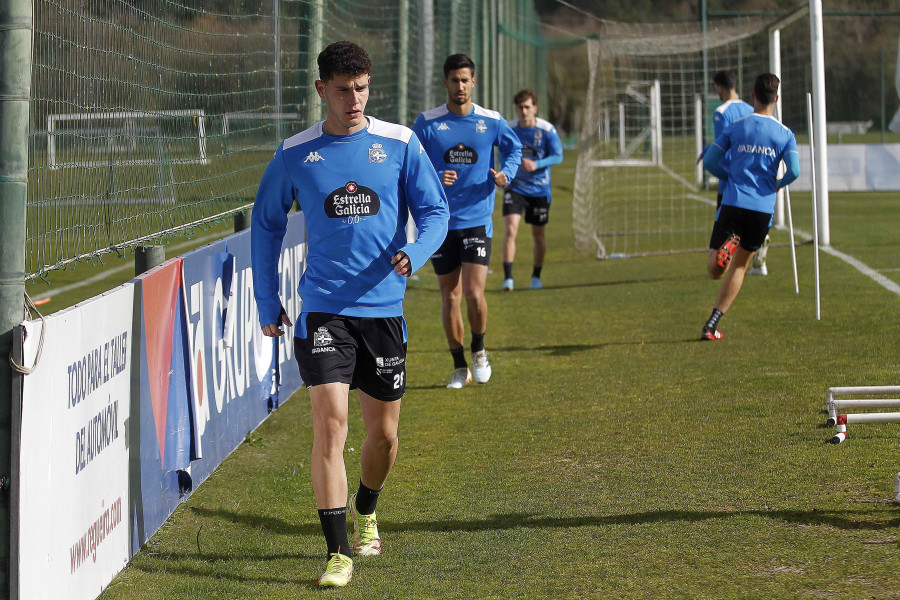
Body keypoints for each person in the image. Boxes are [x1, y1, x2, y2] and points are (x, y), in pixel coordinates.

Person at [250, 41, 449, 587]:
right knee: (330, 425)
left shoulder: (401, 143)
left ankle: (368, 507)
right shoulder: (294, 154)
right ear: (322, 90)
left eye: (361, 87)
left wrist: (418, 250)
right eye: (343, 89)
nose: (354, 98)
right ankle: (337, 552)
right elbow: (265, 225)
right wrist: (269, 302)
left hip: (384, 309)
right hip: (324, 310)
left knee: (383, 436)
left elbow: (435, 210)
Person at [412, 54, 522, 389]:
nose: (460, 86)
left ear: (474, 82)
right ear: (445, 83)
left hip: (476, 220)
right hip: (440, 222)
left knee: (474, 294)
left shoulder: (491, 121)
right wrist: (434, 177)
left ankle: (480, 349)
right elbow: (411, 163)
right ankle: (459, 367)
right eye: (454, 80)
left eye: (465, 80)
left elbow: (514, 151)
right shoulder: (427, 123)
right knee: (451, 296)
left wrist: (506, 174)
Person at [700, 73, 799, 341]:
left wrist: (729, 175)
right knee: (740, 267)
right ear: (776, 99)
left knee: (714, 270)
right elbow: (795, 172)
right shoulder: (785, 134)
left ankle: (725, 246)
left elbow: (710, 161)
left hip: (733, 201)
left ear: (753, 96)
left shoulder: (736, 127)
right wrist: (776, 185)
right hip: (762, 209)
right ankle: (712, 323)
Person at [700, 70, 772, 275]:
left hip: (731, 181)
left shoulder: (721, 112)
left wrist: (706, 152)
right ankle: (758, 255)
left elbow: (722, 146)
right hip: (756, 179)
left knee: (724, 235)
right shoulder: (752, 109)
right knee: (752, 224)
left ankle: (723, 261)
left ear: (720, 88)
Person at [501, 89, 564, 291]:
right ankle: (508, 279)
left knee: (538, 234)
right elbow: (501, 151)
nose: (523, 111)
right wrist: (506, 175)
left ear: (535, 108)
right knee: (510, 230)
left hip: (539, 190)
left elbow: (558, 156)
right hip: (516, 188)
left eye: (527, 107)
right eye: (520, 107)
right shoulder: (509, 128)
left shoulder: (547, 130)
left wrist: (536, 165)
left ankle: (536, 277)